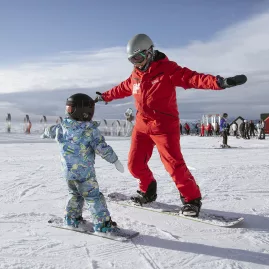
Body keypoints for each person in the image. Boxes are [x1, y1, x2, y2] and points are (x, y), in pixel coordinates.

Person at [94, 33, 247, 217]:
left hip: (164, 126)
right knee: (134, 165)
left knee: (174, 165)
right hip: (142, 126)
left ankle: (191, 199)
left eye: (138, 57)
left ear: (149, 52)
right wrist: (104, 96)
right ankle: (147, 190)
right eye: (131, 59)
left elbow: (193, 78)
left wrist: (219, 82)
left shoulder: (167, 70)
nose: (136, 62)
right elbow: (122, 88)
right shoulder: (135, 75)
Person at [43, 93, 124, 232]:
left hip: (68, 172)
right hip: (84, 173)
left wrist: (45, 132)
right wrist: (114, 160)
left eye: (69, 108)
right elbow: (101, 147)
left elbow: (50, 130)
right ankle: (103, 225)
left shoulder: (62, 126)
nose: (68, 111)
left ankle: (72, 218)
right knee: (93, 197)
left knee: (75, 195)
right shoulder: (89, 130)